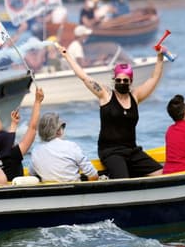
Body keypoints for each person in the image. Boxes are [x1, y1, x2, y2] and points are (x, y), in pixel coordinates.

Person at [62, 46, 167, 179]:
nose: (121, 83)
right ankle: (108, 175)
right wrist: (67, 56)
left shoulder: (135, 96)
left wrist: (159, 57)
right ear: (114, 80)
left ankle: (115, 173)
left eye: (125, 80)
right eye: (118, 80)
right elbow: (84, 77)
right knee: (123, 179)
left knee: (161, 174)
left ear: (131, 81)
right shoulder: (105, 95)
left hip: (132, 151)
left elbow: (153, 79)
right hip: (110, 152)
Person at [0, 86, 45, 182]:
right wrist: (37, 102)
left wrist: (14, 124)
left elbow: (7, 140)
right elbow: (32, 129)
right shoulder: (13, 154)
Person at [29, 112, 99, 182]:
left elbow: (32, 174)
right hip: (74, 190)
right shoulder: (71, 146)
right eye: (63, 127)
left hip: (49, 191)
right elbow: (93, 175)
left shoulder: (36, 151)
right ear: (58, 131)